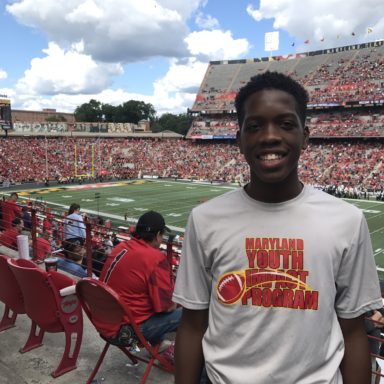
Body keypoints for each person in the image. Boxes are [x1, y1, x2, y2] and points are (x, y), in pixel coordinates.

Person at [172, 71, 382, 384]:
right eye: (254, 126)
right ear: (239, 139)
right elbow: (192, 325)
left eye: (285, 124)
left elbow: (352, 331)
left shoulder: (347, 220)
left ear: (305, 136)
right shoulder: (205, 220)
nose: (270, 136)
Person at [100, 210, 181, 351]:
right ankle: (181, 354)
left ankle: (158, 345)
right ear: (157, 235)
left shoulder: (120, 247)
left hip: (103, 322)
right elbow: (166, 307)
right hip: (125, 332)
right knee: (194, 313)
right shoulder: (155, 258)